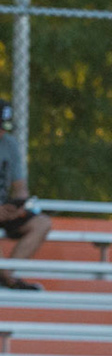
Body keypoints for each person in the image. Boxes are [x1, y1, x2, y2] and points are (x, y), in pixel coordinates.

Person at [0, 120, 48, 291]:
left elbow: (20, 187)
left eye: (4, 127)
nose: (2, 132)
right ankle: (8, 279)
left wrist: (19, 207)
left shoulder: (9, 144)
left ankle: (5, 276)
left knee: (42, 223)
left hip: (5, 209)